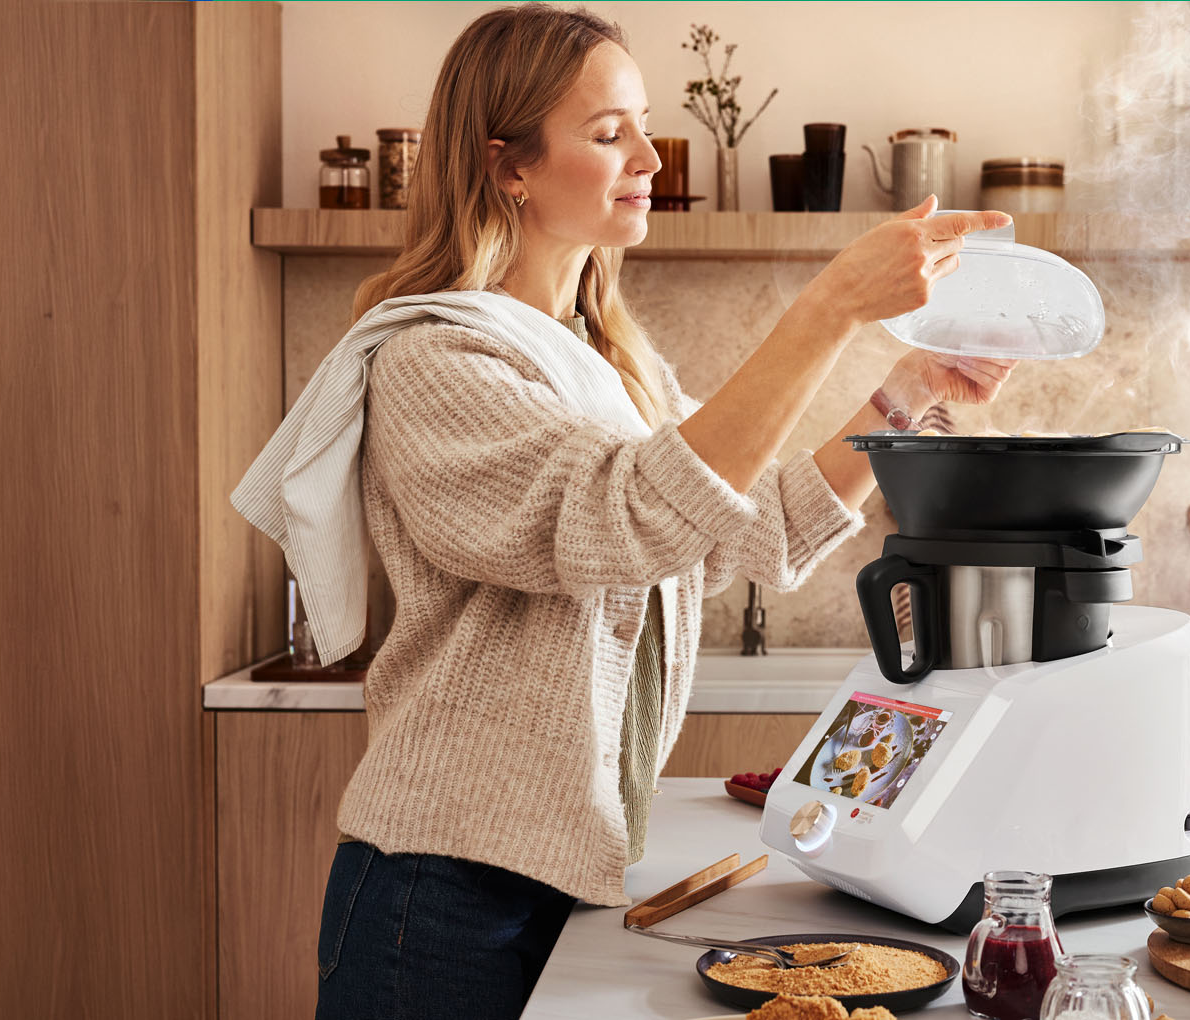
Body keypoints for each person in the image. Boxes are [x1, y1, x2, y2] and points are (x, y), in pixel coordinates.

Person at [297, 6, 1017, 1017]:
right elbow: (629, 518)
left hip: (566, 870)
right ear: (508, 164)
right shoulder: (435, 363)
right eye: (606, 133)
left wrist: (913, 391)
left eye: (641, 123)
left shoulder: (607, 366)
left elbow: (748, 525)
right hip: (440, 891)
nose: (645, 155)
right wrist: (825, 309)